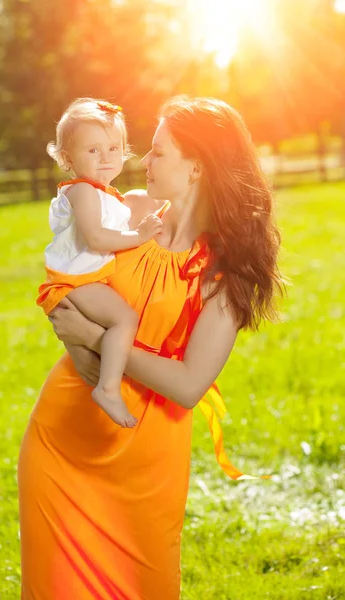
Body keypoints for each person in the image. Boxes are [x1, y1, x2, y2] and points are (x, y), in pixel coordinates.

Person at [18, 96, 284, 599]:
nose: (144, 161)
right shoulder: (124, 213)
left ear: (197, 166)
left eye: (159, 152)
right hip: (62, 441)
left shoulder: (224, 277)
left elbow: (187, 386)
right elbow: (64, 292)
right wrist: (70, 324)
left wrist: (96, 340)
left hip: (145, 467)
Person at [37, 98, 162, 428]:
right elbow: (97, 238)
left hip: (87, 277)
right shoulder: (82, 192)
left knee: (109, 330)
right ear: (67, 159)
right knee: (124, 320)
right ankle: (108, 389)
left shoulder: (104, 193)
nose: (106, 157)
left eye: (113, 148)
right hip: (76, 280)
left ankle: (102, 381)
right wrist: (140, 234)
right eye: (93, 151)